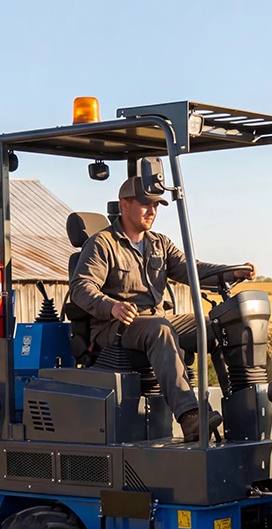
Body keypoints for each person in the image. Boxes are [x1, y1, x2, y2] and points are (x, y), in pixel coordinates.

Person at [70, 176, 256, 442]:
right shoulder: (103, 244)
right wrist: (112, 307)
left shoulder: (159, 243)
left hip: (156, 319)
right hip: (118, 326)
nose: (152, 211)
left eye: (156, 205)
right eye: (146, 204)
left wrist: (229, 271)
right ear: (125, 204)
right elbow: (80, 287)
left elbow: (192, 270)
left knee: (216, 327)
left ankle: (240, 408)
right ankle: (191, 417)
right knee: (161, 330)